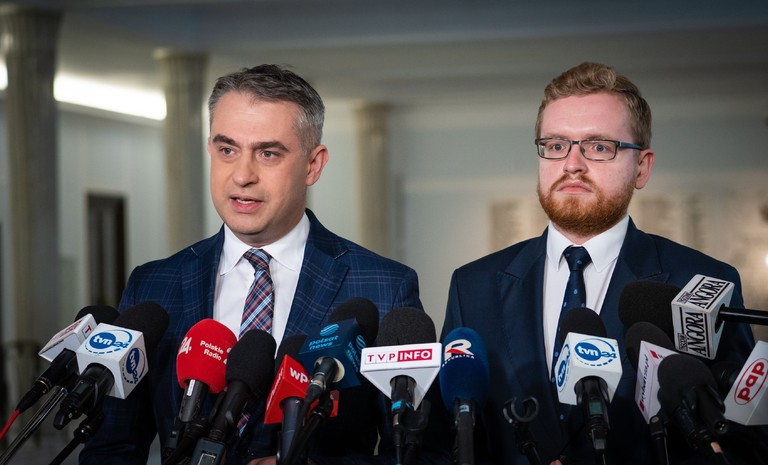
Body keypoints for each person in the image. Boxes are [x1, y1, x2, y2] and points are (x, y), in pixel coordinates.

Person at [80, 64, 449, 465]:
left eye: (268, 153)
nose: (242, 176)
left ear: (313, 165)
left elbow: (423, 455)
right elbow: (111, 449)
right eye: (227, 150)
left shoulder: (383, 287)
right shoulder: (154, 284)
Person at [441, 62, 759, 464]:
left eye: (599, 147)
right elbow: (445, 440)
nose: (572, 164)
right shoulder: (473, 286)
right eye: (556, 145)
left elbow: (745, 441)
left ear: (642, 167)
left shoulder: (702, 281)